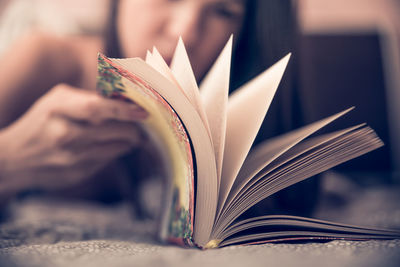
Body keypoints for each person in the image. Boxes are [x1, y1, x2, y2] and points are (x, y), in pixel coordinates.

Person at [0, 0, 318, 217]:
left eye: (223, 10)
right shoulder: (43, 59)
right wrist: (10, 162)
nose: (185, 32)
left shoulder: (234, 114)